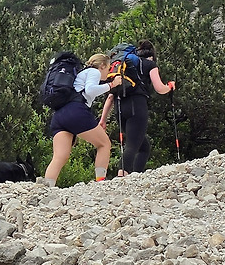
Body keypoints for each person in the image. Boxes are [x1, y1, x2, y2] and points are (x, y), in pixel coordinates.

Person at [101, 40, 175, 176]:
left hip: (119, 108)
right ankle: (122, 175)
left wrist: (103, 120)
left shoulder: (125, 67)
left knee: (143, 147)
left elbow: (111, 96)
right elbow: (160, 88)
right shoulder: (149, 64)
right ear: (151, 55)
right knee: (132, 145)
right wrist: (170, 86)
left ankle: (136, 176)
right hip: (137, 106)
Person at [44, 54, 121, 184]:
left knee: (59, 157)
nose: (108, 72)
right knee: (104, 144)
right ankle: (100, 182)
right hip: (76, 111)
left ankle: (46, 188)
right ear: (102, 66)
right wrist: (111, 85)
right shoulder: (94, 72)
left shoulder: (81, 74)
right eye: (108, 68)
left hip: (60, 115)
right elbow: (90, 90)